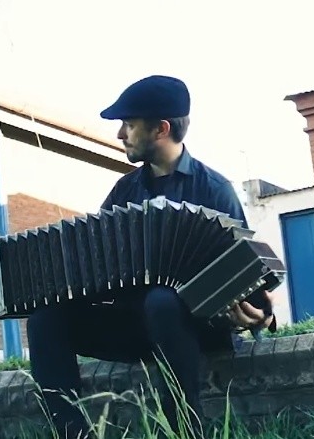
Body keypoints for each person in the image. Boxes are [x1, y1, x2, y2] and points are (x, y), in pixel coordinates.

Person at [26, 75, 276, 439]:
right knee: (44, 320)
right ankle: (71, 434)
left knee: (162, 301)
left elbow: (242, 274)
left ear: (160, 129)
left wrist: (259, 313)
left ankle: (184, 430)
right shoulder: (125, 191)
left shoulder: (214, 190)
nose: (120, 135)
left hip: (197, 328)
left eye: (128, 125)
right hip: (136, 326)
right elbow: (100, 265)